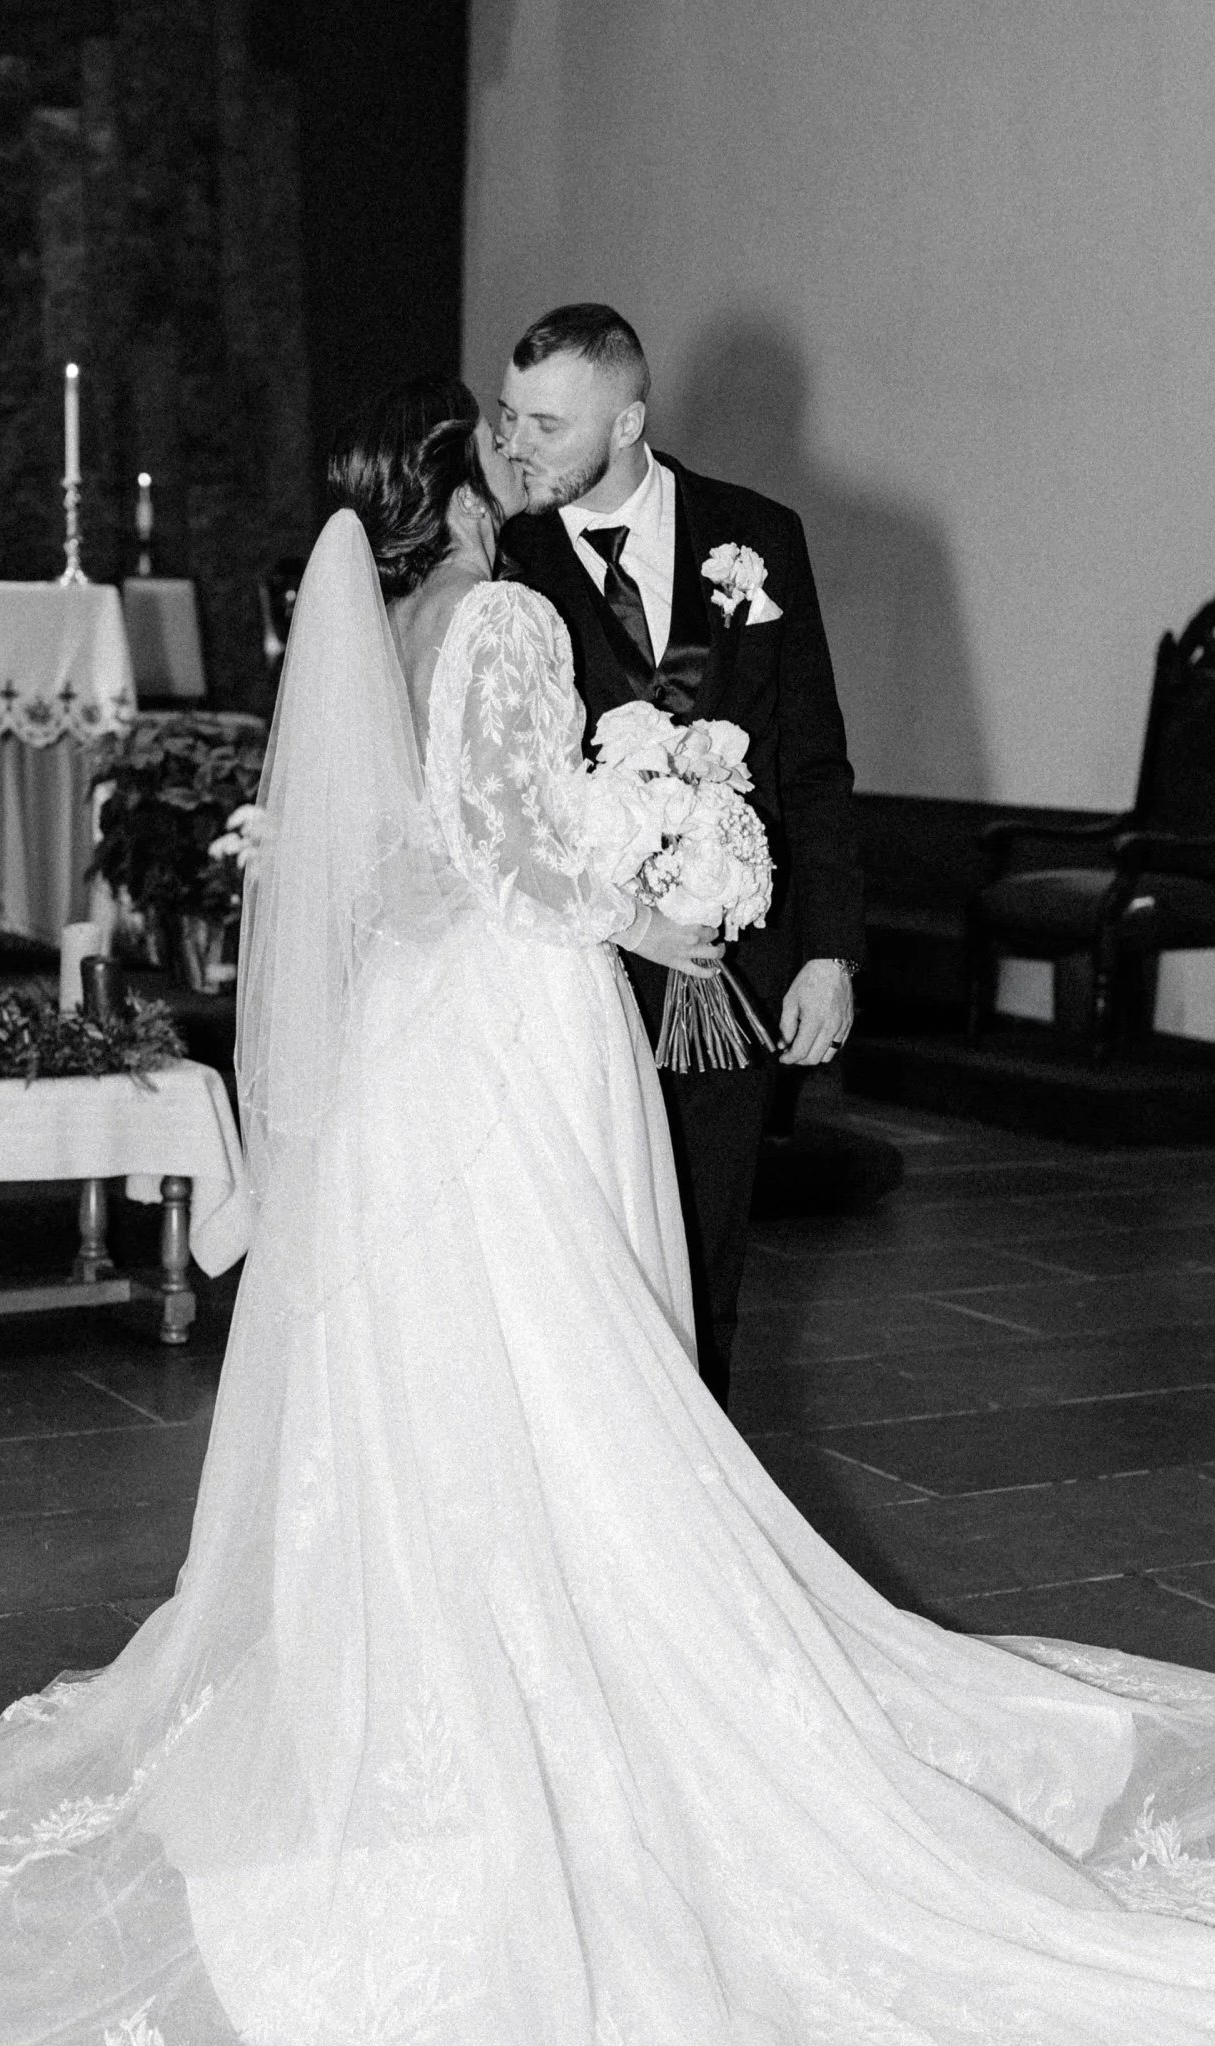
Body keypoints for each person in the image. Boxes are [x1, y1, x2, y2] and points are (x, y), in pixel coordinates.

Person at [0, 377, 1215, 2046]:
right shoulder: (506, 614)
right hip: (523, 1018)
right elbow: (525, 849)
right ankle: (574, 1645)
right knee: (571, 1345)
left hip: (414, 1036)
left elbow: (406, 863)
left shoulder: (393, 621)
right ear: (455, 492)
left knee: (451, 1361)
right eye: (503, 449)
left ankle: (440, 1638)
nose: (526, 460)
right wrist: (662, 907)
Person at [497, 304, 866, 1405]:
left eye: (547, 426)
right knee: (586, 1251)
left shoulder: (760, 534)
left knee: (708, 1249)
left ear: (627, 423)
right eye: (507, 417)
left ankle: (700, 1492)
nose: (516, 447)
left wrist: (828, 953)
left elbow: (814, 762)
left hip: (733, 964)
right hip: (581, 965)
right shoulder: (503, 561)